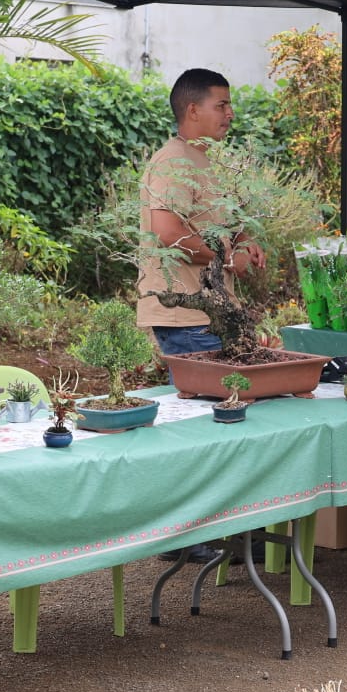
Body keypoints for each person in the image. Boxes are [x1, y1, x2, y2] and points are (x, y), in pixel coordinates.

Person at [137, 68, 265, 563]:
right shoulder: (172, 162)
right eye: (222, 105)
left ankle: (215, 528)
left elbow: (227, 227)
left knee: (223, 421)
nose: (230, 114)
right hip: (183, 311)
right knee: (200, 426)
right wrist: (222, 258)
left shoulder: (210, 161)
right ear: (192, 110)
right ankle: (185, 537)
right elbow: (168, 231)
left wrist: (246, 244)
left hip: (214, 309)